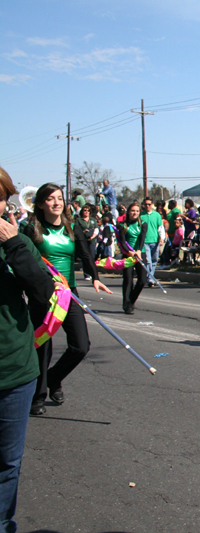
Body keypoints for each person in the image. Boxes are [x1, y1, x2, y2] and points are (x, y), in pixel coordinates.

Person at [22, 183, 113, 416]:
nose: (56, 202)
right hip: (42, 293)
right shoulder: (31, 228)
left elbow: (85, 253)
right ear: (41, 203)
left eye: (60, 198)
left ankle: (54, 378)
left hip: (68, 291)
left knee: (81, 346)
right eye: (50, 199)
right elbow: (24, 260)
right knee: (43, 345)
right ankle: (38, 395)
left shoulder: (71, 227)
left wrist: (94, 277)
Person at [0, 167, 55, 533]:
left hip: (15, 369)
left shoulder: (16, 240)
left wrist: (14, 245)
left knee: (7, 464)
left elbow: (42, 290)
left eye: (2, 198)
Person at [120, 202, 148, 315]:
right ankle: (127, 305)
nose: (135, 213)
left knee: (142, 280)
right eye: (132, 211)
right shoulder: (123, 225)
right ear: (128, 212)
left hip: (140, 253)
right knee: (128, 280)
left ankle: (130, 300)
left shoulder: (143, 224)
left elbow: (142, 238)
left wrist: (139, 250)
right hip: (128, 255)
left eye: (137, 211)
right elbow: (122, 242)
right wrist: (129, 252)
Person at [139, 197, 162, 287]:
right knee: (148, 260)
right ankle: (150, 278)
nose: (147, 206)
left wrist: (161, 238)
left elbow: (160, 228)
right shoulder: (141, 215)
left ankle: (150, 277)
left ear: (152, 205)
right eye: (146, 204)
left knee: (154, 260)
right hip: (145, 241)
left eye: (149, 204)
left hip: (155, 241)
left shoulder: (157, 215)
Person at [74, 204, 99, 272]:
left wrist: (92, 236)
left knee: (92, 256)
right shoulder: (79, 220)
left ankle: (92, 271)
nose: (86, 212)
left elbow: (96, 229)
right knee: (85, 257)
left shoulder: (93, 220)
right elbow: (76, 230)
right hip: (83, 240)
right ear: (82, 211)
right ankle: (86, 273)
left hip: (92, 240)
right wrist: (83, 232)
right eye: (85, 210)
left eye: (88, 210)